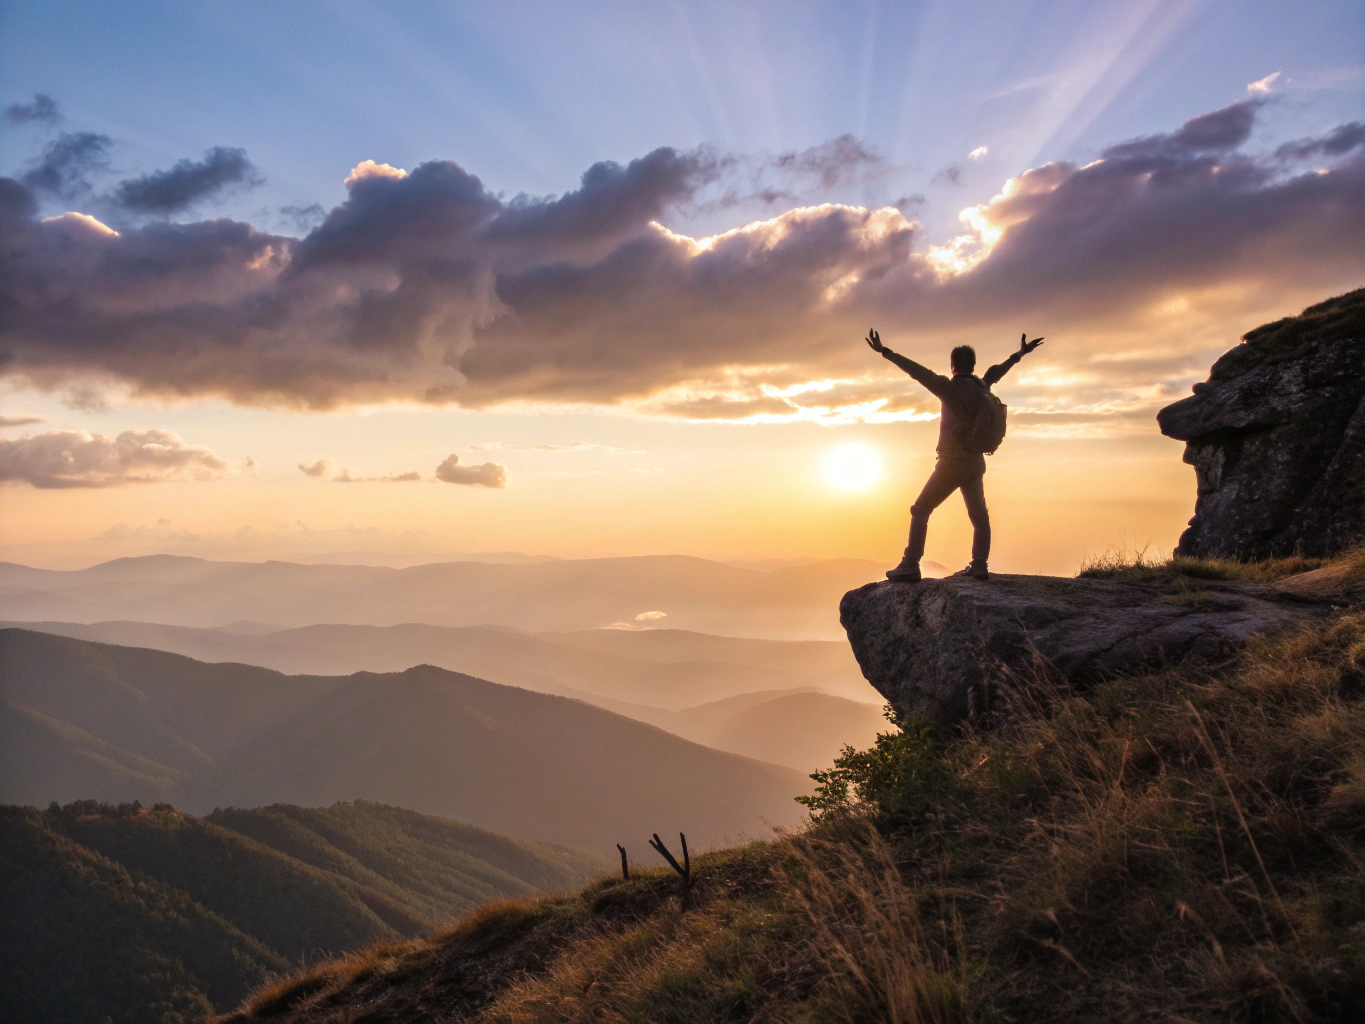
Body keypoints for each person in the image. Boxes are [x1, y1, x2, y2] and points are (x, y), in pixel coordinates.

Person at [866, 329, 1044, 582]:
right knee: (979, 518)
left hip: (951, 462)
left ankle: (910, 564)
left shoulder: (946, 387)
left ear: (952, 366)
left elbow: (915, 371)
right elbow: (997, 371)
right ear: (973, 366)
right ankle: (980, 565)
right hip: (976, 462)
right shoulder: (982, 385)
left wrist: (885, 352)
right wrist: (1021, 353)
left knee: (920, 509)